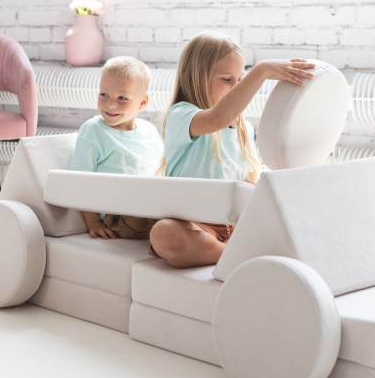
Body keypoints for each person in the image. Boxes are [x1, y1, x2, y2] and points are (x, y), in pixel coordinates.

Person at [149, 32, 315, 268]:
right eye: (227, 79)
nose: (237, 87)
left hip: (234, 225)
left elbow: (249, 182)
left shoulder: (242, 128)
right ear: (196, 78)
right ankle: (238, 253)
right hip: (194, 224)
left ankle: (240, 250)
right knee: (164, 234)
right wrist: (261, 71)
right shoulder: (181, 114)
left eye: (240, 79)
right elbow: (217, 118)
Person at [69, 56, 163, 239]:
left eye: (122, 98)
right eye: (104, 94)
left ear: (142, 102)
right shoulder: (93, 130)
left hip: (149, 203)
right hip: (118, 215)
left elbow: (161, 172)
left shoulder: (149, 131)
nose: (111, 104)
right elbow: (80, 181)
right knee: (165, 222)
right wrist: (94, 223)